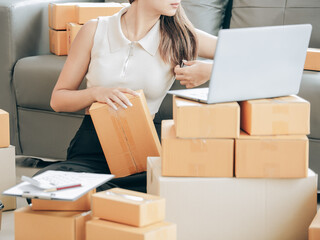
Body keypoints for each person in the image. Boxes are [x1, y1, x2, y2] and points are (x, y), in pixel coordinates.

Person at [33, 0, 217, 193]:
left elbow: (245, 54)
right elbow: (58, 100)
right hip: (90, 149)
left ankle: (99, 196)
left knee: (177, 187)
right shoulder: (94, 30)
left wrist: (211, 70)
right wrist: (96, 93)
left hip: (140, 157)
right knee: (42, 186)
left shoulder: (181, 37)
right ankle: (107, 197)